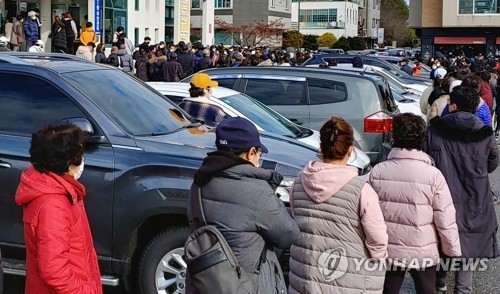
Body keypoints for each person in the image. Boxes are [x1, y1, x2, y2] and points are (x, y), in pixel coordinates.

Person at [187, 117, 300, 294]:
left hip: (207, 282)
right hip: (247, 284)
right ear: (251, 152)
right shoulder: (257, 191)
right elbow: (288, 235)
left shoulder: (199, 183)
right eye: (259, 154)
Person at [288, 117, 388, 294]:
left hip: (305, 277)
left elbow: (296, 220)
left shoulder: (298, 183)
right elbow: (377, 240)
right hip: (351, 280)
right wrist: (379, 262)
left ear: (321, 147)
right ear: (351, 150)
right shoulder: (362, 191)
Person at [369, 113, 461, 294]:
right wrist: (452, 250)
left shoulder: (377, 171)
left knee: (388, 290)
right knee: (427, 290)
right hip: (424, 249)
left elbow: (368, 214)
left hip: (389, 248)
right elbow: (445, 218)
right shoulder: (432, 175)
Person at [14, 123, 102, 293]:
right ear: (69, 163)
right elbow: (54, 270)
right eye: (80, 154)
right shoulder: (54, 206)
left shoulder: (58, 190)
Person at [428, 85, 499, 294]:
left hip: (442, 194)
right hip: (475, 195)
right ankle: (462, 289)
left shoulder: (434, 130)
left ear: (454, 106)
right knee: (467, 247)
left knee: (440, 238)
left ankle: (439, 281)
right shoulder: (485, 133)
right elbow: (492, 164)